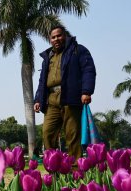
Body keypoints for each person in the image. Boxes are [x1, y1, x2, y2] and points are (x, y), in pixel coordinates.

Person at [33, 24, 96, 161]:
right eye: (53, 37)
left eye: (59, 35)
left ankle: (75, 171)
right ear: (50, 39)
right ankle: (54, 168)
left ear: (65, 35)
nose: (56, 39)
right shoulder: (48, 57)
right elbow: (42, 80)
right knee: (47, 133)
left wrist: (86, 91)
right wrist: (37, 99)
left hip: (70, 97)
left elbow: (88, 70)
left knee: (72, 135)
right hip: (51, 99)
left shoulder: (77, 50)